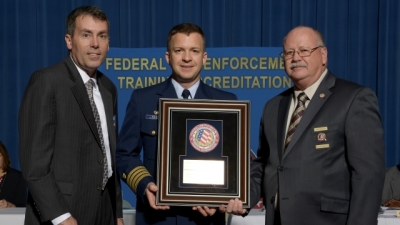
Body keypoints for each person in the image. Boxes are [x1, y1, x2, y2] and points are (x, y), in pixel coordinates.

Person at [223, 26, 385, 225]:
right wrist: (244, 196)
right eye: (289, 52)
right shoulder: (273, 106)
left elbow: (368, 175)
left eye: (304, 50)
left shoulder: (354, 99)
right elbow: (265, 163)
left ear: (323, 55)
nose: (295, 57)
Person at [116, 23, 237, 224]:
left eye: (194, 51)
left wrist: (220, 198)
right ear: (168, 57)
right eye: (179, 50)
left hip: (206, 219)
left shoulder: (226, 103)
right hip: (158, 218)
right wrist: (145, 185)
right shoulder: (143, 100)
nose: (187, 58)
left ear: (204, 58)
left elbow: (234, 164)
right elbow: (124, 155)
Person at [18, 6, 123, 225]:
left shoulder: (108, 89)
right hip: (63, 215)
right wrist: (61, 216)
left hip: (105, 214)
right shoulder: (47, 81)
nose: (95, 43)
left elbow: (108, 158)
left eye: (101, 36)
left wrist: (117, 214)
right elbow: (34, 166)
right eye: (86, 35)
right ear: (69, 41)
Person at [0, 141, 27, 208]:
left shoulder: (17, 177)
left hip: (9, 217)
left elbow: (22, 205)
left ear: (4, 156)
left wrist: (9, 205)